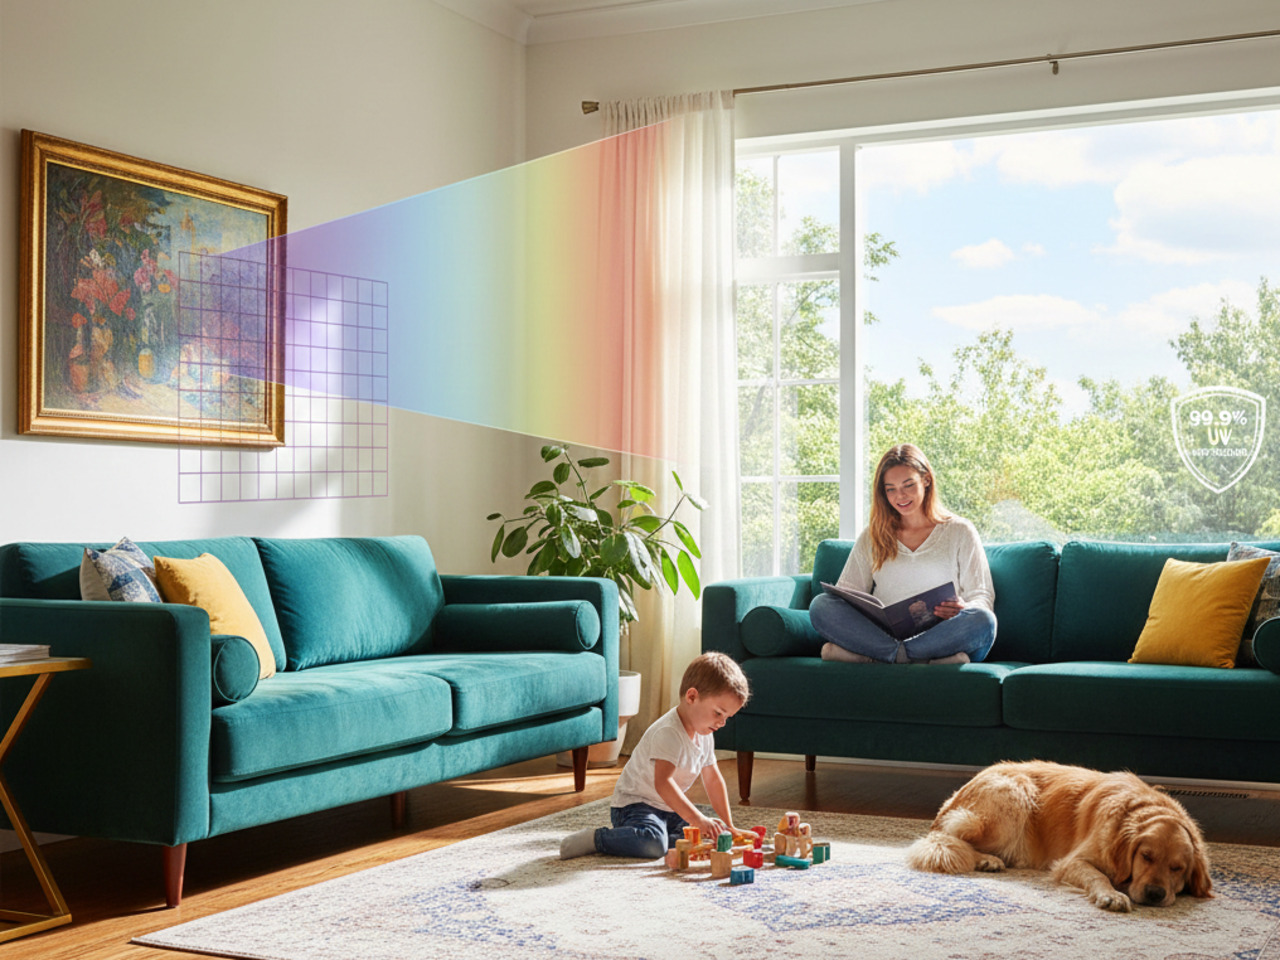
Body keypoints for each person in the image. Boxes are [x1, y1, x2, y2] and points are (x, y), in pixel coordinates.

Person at [810, 443, 997, 666]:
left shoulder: (960, 531)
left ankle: (881, 657)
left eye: (908, 485)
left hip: (942, 634)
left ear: (926, 479)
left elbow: (982, 597)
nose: (900, 496)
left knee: (984, 620)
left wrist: (964, 608)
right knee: (821, 605)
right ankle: (920, 658)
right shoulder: (873, 536)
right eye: (891, 489)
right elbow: (847, 595)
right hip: (882, 634)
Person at [559, 651, 750, 860]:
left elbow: (713, 780)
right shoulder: (668, 732)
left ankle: (660, 835)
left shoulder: (704, 733)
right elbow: (663, 784)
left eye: (727, 717)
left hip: (668, 809)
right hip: (636, 806)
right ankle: (597, 839)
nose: (721, 723)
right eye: (718, 713)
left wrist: (729, 825)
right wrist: (697, 818)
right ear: (692, 697)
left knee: (712, 832)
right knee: (653, 843)